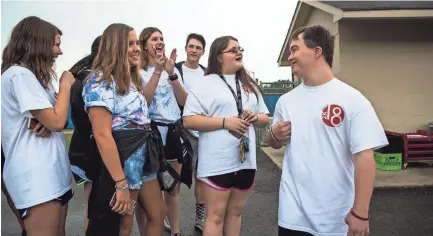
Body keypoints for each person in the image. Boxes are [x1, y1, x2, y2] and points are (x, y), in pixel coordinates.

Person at [264, 25, 389, 236]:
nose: (290, 56)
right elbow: (273, 142)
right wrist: (274, 135)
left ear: (317, 51)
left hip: (337, 218)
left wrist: (360, 213)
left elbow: (365, 158)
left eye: (295, 49)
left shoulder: (352, 99)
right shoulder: (286, 101)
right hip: (293, 216)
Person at [82, 23, 166, 236]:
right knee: (123, 226)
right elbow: (102, 134)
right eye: (129, 44)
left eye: (137, 43)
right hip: (125, 159)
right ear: (115, 47)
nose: (137, 48)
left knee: (157, 214)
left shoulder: (130, 78)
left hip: (145, 154)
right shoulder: (100, 81)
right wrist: (120, 183)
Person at [183, 36, 270, 236]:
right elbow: (188, 120)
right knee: (215, 215)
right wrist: (224, 122)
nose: (239, 52)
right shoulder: (205, 84)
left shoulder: (249, 84)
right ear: (219, 56)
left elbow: (265, 118)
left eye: (240, 49)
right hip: (218, 161)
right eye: (233, 50)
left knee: (236, 213)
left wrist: (255, 117)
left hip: (246, 161)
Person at [1, 16, 75, 236]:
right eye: (57, 44)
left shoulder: (34, 78)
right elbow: (57, 121)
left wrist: (47, 119)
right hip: (37, 180)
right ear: (39, 44)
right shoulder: (19, 74)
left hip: (52, 176)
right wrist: (65, 85)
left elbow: (50, 117)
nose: (59, 52)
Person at [137, 26, 191, 236]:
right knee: (147, 191)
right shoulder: (138, 71)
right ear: (144, 45)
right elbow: (143, 103)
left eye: (161, 38)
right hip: (150, 134)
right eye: (153, 39)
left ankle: (175, 231)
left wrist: (171, 73)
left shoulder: (173, 69)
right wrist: (158, 72)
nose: (159, 42)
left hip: (173, 131)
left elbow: (184, 101)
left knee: (172, 187)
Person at [174, 33, 207, 232]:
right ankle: (171, 214)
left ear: (203, 52)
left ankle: (200, 217)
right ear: (186, 48)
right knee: (175, 176)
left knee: (201, 176)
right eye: (191, 46)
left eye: (198, 47)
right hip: (181, 130)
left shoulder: (208, 73)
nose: (194, 50)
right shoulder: (175, 70)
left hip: (203, 132)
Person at [68, 35, 101, 233]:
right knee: (95, 207)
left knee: (93, 205)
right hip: (92, 149)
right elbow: (86, 120)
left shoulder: (82, 74)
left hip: (83, 147)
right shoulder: (91, 78)